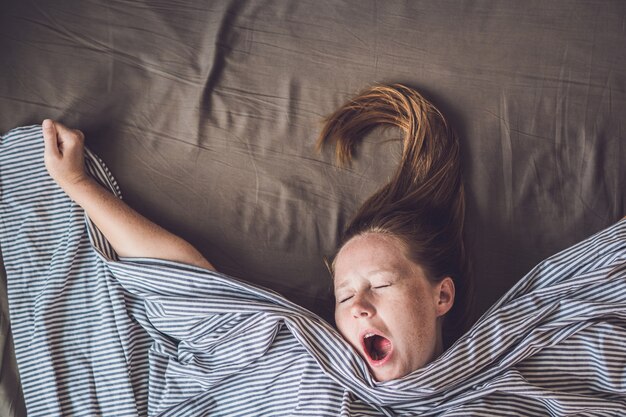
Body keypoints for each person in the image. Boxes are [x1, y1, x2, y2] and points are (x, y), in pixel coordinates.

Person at [42, 84, 471, 383]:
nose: (358, 306)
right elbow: (187, 282)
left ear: (441, 296)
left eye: (380, 284)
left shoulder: (497, 378)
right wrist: (77, 185)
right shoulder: (299, 351)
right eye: (343, 295)